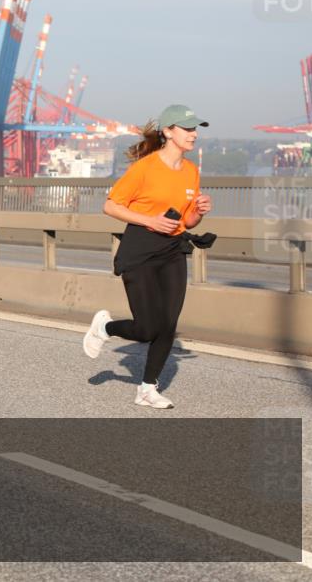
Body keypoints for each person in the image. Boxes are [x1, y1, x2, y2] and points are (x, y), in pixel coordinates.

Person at [82, 104, 215, 409]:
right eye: (188, 128)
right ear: (168, 132)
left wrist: (198, 212)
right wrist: (150, 220)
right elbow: (111, 206)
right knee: (146, 329)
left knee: (168, 324)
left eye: (196, 129)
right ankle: (105, 328)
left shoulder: (192, 171)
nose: (194, 134)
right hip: (140, 249)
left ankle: (147, 389)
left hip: (172, 250)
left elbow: (187, 222)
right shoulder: (145, 168)